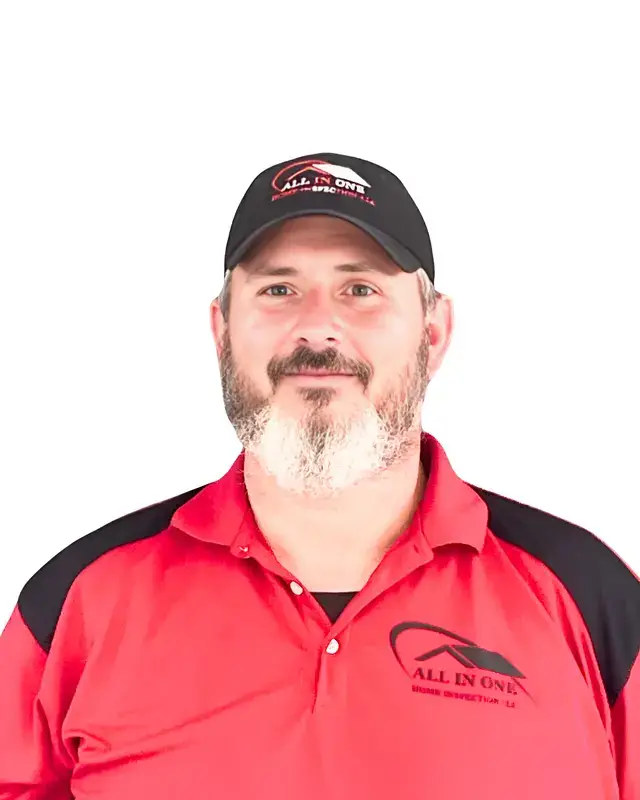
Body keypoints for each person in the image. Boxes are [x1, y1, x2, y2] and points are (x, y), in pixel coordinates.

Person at [0, 152, 638, 800]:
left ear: (434, 332)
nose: (317, 326)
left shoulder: (589, 596)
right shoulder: (77, 602)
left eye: (360, 289)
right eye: (278, 289)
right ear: (221, 330)